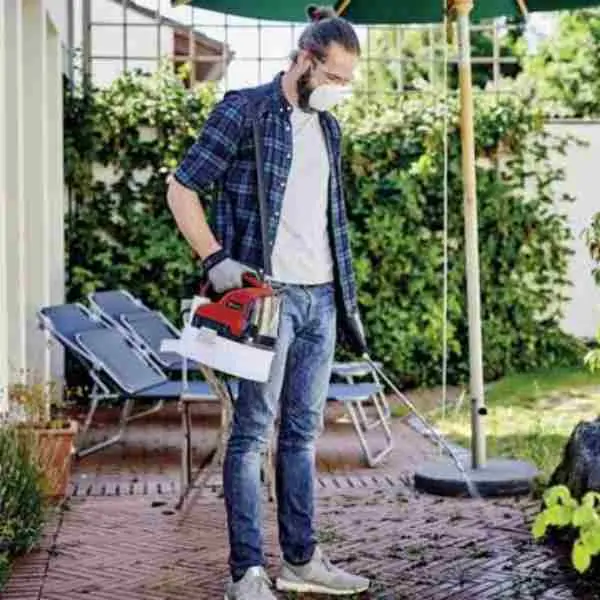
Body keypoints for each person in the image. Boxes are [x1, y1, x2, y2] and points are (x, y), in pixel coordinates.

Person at [167, 5, 370, 598]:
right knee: (252, 433)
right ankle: (247, 573)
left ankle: (301, 561)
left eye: (346, 82)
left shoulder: (329, 129)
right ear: (305, 60)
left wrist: (342, 299)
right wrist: (214, 260)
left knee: (302, 435)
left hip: (322, 299)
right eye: (333, 77)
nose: (338, 90)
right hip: (266, 301)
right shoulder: (244, 111)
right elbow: (181, 188)